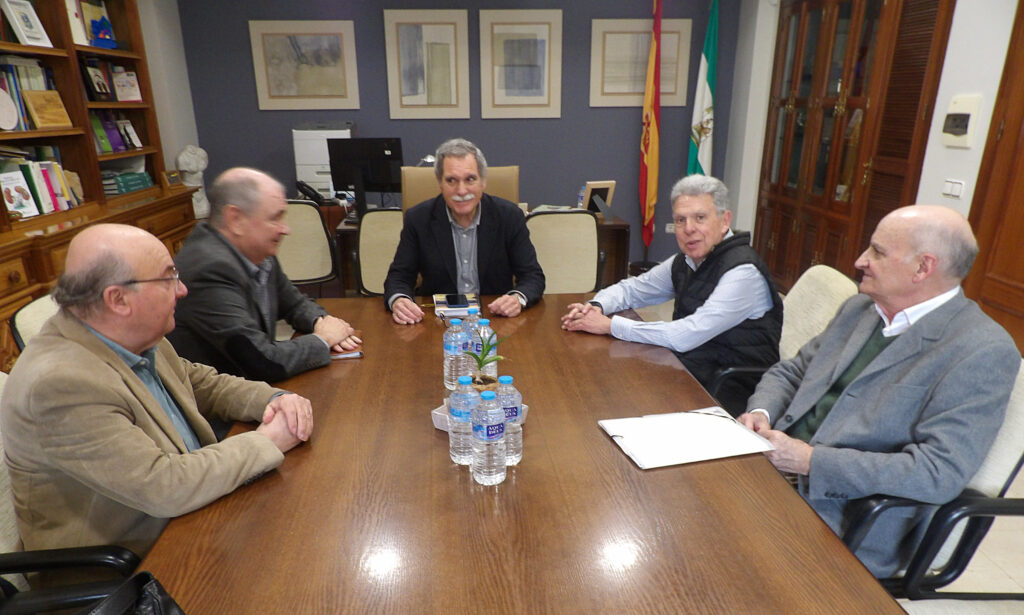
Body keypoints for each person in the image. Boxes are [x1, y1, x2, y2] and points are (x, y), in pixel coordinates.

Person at [0, 224, 313, 563]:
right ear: (118, 299)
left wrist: (272, 400)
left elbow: (197, 382)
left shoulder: (131, 331)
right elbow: (164, 485)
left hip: (194, 517)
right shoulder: (59, 385)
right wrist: (268, 441)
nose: (181, 290)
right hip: (133, 567)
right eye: (167, 279)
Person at [737, 205, 1020, 577]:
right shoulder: (860, 308)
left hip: (847, 517)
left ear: (923, 268)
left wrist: (810, 461)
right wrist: (762, 413)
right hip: (772, 471)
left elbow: (937, 471)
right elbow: (793, 371)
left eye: (877, 252)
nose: (860, 261)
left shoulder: (981, 350)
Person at [561, 175, 782, 412]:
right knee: (600, 392)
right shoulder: (687, 261)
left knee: (615, 402)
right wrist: (597, 305)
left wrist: (609, 325)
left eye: (700, 218)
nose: (689, 229)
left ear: (724, 220)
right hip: (690, 373)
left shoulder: (743, 273)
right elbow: (633, 289)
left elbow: (685, 335)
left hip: (730, 394)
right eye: (680, 220)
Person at [169, 167, 360, 383]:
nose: (285, 229)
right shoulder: (208, 269)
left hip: (251, 392)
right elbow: (262, 362)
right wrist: (323, 339)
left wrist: (319, 321)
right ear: (236, 219)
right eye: (275, 218)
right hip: (218, 408)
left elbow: (294, 304)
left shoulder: (256, 251)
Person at [384, 138, 545, 324]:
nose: (461, 190)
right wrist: (399, 300)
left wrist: (518, 298)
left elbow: (533, 276)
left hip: (496, 319)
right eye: (451, 180)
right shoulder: (418, 219)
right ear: (440, 183)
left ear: (483, 181)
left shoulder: (509, 216)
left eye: (470, 179)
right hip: (437, 322)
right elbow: (399, 276)